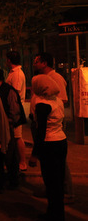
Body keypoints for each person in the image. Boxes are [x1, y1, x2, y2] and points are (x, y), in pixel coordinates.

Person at [32, 52, 74, 204]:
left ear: (44, 63)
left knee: (58, 163)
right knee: (50, 165)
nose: (34, 63)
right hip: (43, 121)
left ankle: (66, 191)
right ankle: (52, 189)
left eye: (37, 61)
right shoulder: (42, 79)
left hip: (52, 128)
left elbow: (60, 99)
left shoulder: (55, 79)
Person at [29, 74, 67, 221]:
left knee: (51, 183)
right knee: (58, 181)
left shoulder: (42, 105)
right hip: (61, 141)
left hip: (49, 144)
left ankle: (55, 217)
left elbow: (41, 131)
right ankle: (55, 213)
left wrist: (34, 154)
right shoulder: (57, 100)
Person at [0, 67, 27, 193]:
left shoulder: (8, 91)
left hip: (6, 129)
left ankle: (11, 181)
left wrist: (8, 122)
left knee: (9, 156)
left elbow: (15, 110)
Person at [6, 51, 28, 171]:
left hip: (16, 110)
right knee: (14, 136)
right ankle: (14, 160)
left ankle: (22, 162)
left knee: (18, 136)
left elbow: (15, 93)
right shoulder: (13, 73)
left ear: (9, 60)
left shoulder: (18, 74)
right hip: (13, 109)